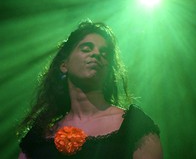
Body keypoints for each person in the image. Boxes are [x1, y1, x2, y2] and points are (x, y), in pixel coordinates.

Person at [17, 20, 163, 159]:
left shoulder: (135, 126)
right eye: (86, 49)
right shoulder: (39, 137)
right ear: (64, 65)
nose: (96, 54)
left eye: (104, 53)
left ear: (108, 72)